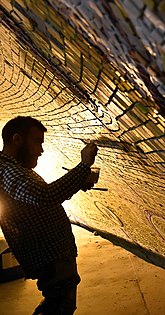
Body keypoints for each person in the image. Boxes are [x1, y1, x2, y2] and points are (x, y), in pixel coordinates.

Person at [0, 116, 98, 314]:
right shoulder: (7, 170)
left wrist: (78, 182)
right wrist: (84, 165)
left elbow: (42, 197)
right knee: (59, 305)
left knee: (60, 303)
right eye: (37, 142)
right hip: (49, 255)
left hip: (52, 253)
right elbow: (45, 196)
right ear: (17, 139)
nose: (41, 150)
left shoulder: (15, 168)